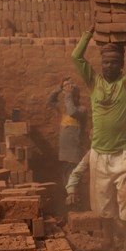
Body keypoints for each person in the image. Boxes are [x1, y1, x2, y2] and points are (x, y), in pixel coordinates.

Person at [70, 5, 126, 251]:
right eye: (106, 62)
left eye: (114, 63)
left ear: (121, 65)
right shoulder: (94, 82)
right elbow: (76, 57)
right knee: (104, 204)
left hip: (123, 154)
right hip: (99, 154)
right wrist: (88, 34)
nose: (109, 66)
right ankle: (108, 241)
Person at [47, 77, 87, 206]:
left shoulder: (81, 110)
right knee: (65, 174)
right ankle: (69, 203)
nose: (68, 97)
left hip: (75, 149)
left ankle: (76, 201)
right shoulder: (64, 109)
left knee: (74, 175)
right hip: (64, 150)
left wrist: (68, 95)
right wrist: (60, 88)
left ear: (76, 96)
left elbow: (72, 111)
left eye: (72, 95)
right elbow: (50, 101)